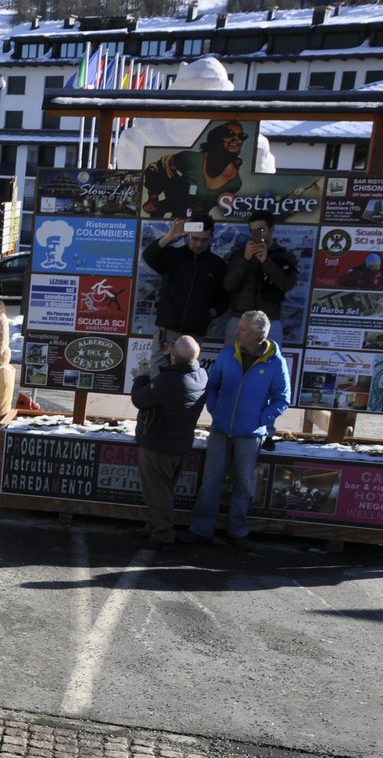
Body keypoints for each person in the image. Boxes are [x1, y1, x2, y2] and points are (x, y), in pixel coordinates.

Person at [184, 311, 290, 550]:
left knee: (243, 483)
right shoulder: (228, 354)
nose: (235, 332)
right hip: (221, 428)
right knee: (211, 480)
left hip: (251, 434)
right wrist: (214, 409)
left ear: (256, 334)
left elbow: (282, 399)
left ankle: (238, 532)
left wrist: (260, 419)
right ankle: (201, 530)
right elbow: (212, 386)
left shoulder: (275, 362)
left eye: (241, 329)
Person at [130, 335, 208, 547]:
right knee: (164, 489)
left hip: (159, 445)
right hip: (180, 444)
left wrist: (141, 377)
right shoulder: (201, 375)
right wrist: (172, 356)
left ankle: (162, 534)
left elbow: (140, 399)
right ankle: (154, 525)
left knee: (157, 492)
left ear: (174, 357)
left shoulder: (168, 382)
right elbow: (181, 371)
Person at [142, 216, 227, 351]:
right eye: (195, 238)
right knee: (158, 371)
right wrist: (169, 237)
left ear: (212, 237)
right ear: (188, 235)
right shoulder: (174, 255)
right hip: (167, 330)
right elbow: (148, 256)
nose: (199, 244)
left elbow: (225, 297)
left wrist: (209, 313)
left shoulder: (218, 265)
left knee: (187, 372)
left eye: (204, 239)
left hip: (194, 334)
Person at [141, 120, 247, 219]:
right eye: (229, 134)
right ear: (217, 138)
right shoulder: (191, 159)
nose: (236, 139)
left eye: (241, 136)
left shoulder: (235, 184)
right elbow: (156, 168)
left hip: (199, 227)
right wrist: (153, 197)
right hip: (169, 222)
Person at [221, 212, 300, 345]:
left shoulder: (283, 256)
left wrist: (266, 261)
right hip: (240, 319)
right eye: (252, 231)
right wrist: (245, 259)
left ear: (272, 229)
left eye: (261, 230)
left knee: (267, 364)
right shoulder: (239, 254)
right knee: (233, 363)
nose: (256, 234)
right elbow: (228, 286)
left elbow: (287, 285)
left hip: (270, 321)